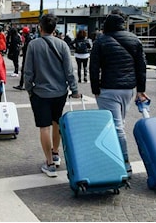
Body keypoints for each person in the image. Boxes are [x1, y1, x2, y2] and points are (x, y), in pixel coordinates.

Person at [89, 9, 148, 178]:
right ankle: (113, 155)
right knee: (119, 123)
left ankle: (124, 162)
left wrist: (95, 89)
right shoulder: (134, 39)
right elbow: (141, 67)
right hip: (128, 89)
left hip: (109, 89)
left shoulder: (101, 41)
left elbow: (94, 68)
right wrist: (141, 90)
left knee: (116, 127)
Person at [24, 14, 81, 178]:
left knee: (44, 127)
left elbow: (28, 71)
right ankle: (55, 154)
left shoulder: (33, 45)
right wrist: (74, 90)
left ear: (40, 28)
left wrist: (29, 89)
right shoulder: (62, 45)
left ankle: (49, 163)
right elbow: (69, 71)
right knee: (57, 123)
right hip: (60, 92)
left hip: (40, 92)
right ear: (55, 29)